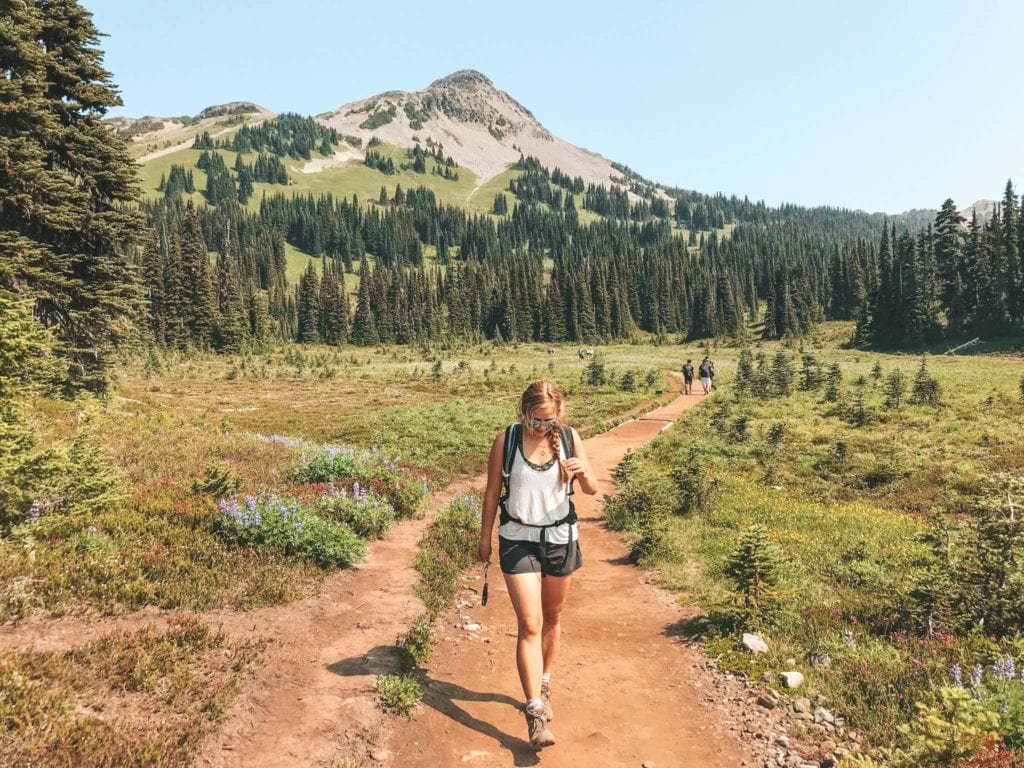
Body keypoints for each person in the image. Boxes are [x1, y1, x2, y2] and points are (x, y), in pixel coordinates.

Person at [478, 380, 598, 751]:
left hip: (560, 538)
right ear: (524, 412)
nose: (540, 428)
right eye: (535, 421)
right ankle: (534, 711)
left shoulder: (571, 438)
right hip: (517, 538)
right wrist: (484, 539)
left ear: (557, 416)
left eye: (548, 421)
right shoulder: (507, 440)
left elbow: (593, 489)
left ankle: (544, 681)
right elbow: (492, 491)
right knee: (529, 623)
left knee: (553, 617)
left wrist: (582, 473)